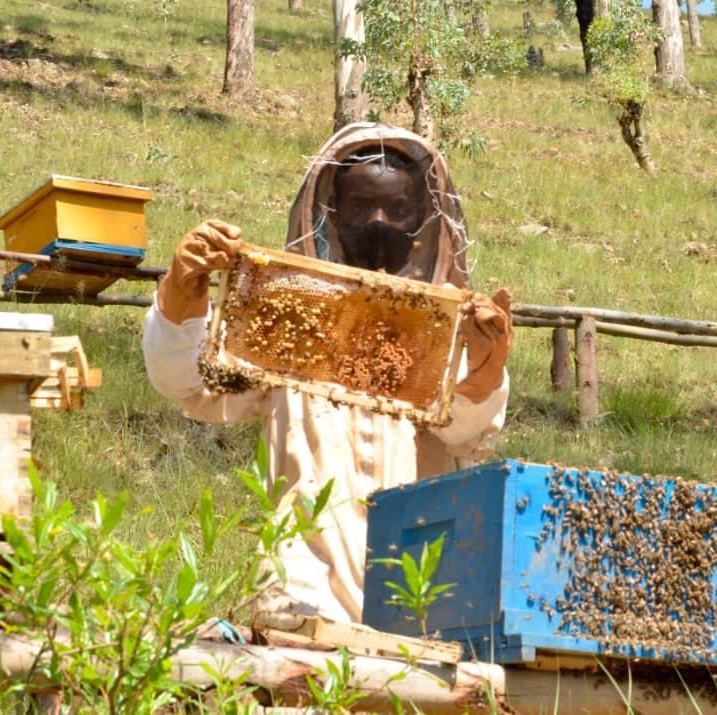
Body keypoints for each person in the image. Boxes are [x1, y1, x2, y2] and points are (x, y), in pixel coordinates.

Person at [142, 123, 512, 628]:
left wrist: (488, 363)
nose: (379, 222)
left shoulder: (455, 329)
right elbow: (186, 380)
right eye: (361, 208)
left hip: (418, 586)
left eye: (397, 210)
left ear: (424, 218)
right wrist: (184, 290)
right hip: (303, 581)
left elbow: (466, 431)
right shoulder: (286, 316)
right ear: (332, 213)